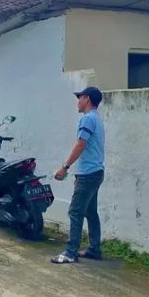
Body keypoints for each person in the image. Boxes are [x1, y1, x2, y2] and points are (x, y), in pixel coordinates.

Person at [51, 86, 106, 265]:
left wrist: (65, 167)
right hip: (96, 172)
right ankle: (94, 249)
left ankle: (70, 252)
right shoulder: (96, 118)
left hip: (88, 174)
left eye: (80, 98)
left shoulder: (87, 119)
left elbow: (81, 144)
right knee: (90, 212)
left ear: (87, 99)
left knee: (75, 211)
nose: (78, 102)